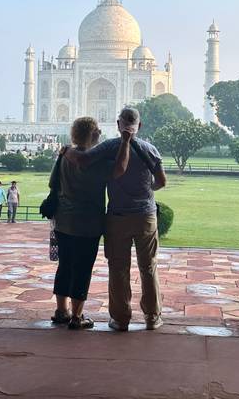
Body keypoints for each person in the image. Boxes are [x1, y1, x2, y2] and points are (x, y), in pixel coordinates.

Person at [63, 107, 166, 331]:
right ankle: (151, 317)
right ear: (139, 125)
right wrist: (146, 190)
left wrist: (65, 152)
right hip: (145, 215)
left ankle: (120, 319)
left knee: (118, 268)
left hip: (118, 216)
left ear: (118, 123)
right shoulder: (150, 149)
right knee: (148, 267)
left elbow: (82, 160)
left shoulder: (110, 147)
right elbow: (161, 182)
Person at [52, 116, 132, 330]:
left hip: (63, 221)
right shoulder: (95, 162)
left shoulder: (64, 154)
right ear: (93, 134)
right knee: (82, 269)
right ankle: (77, 317)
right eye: (97, 130)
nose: (99, 133)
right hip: (87, 224)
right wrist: (125, 142)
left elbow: (53, 183)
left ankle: (61, 311)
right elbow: (120, 169)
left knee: (65, 266)